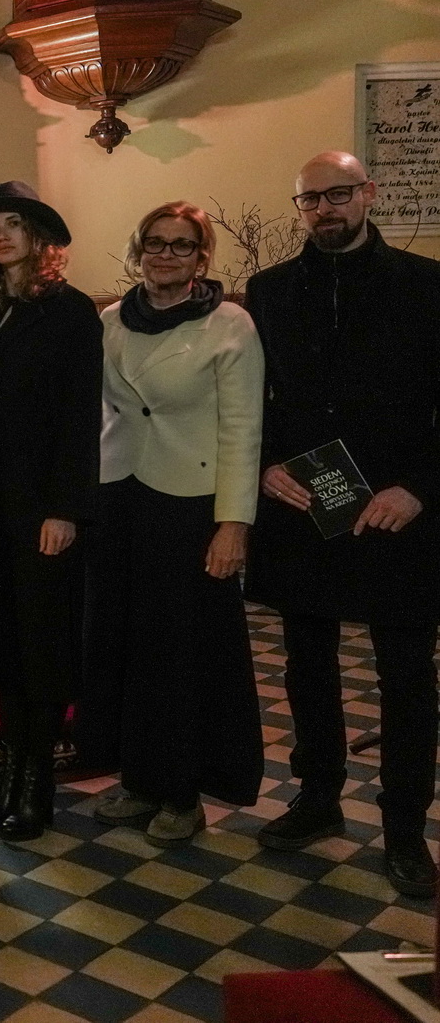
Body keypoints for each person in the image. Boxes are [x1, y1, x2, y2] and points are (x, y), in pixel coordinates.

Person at [246, 151, 440, 897]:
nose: (324, 209)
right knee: (306, 664)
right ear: (298, 208)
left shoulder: (425, 286)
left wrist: (418, 490)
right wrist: (264, 463)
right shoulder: (266, 291)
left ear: (367, 193)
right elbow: (250, 399)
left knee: (404, 678)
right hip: (304, 503)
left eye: (337, 194)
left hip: (399, 509)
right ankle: (318, 799)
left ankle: (402, 832)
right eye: (309, 199)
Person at [79, 202, 264, 845]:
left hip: (190, 500)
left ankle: (182, 792)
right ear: (138, 250)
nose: (166, 255)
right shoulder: (109, 321)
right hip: (120, 493)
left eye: (181, 246)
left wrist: (233, 525)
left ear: (201, 259)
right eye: (155, 243)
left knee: (181, 654)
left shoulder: (229, 324)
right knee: (125, 644)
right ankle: (137, 777)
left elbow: (244, 429)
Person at [0, 183, 101, 841]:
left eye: (13, 225)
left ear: (39, 239)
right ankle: (8, 773)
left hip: (42, 502)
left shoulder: (69, 314)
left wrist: (65, 508)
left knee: (40, 642)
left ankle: (35, 784)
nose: (1, 236)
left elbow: (79, 416)